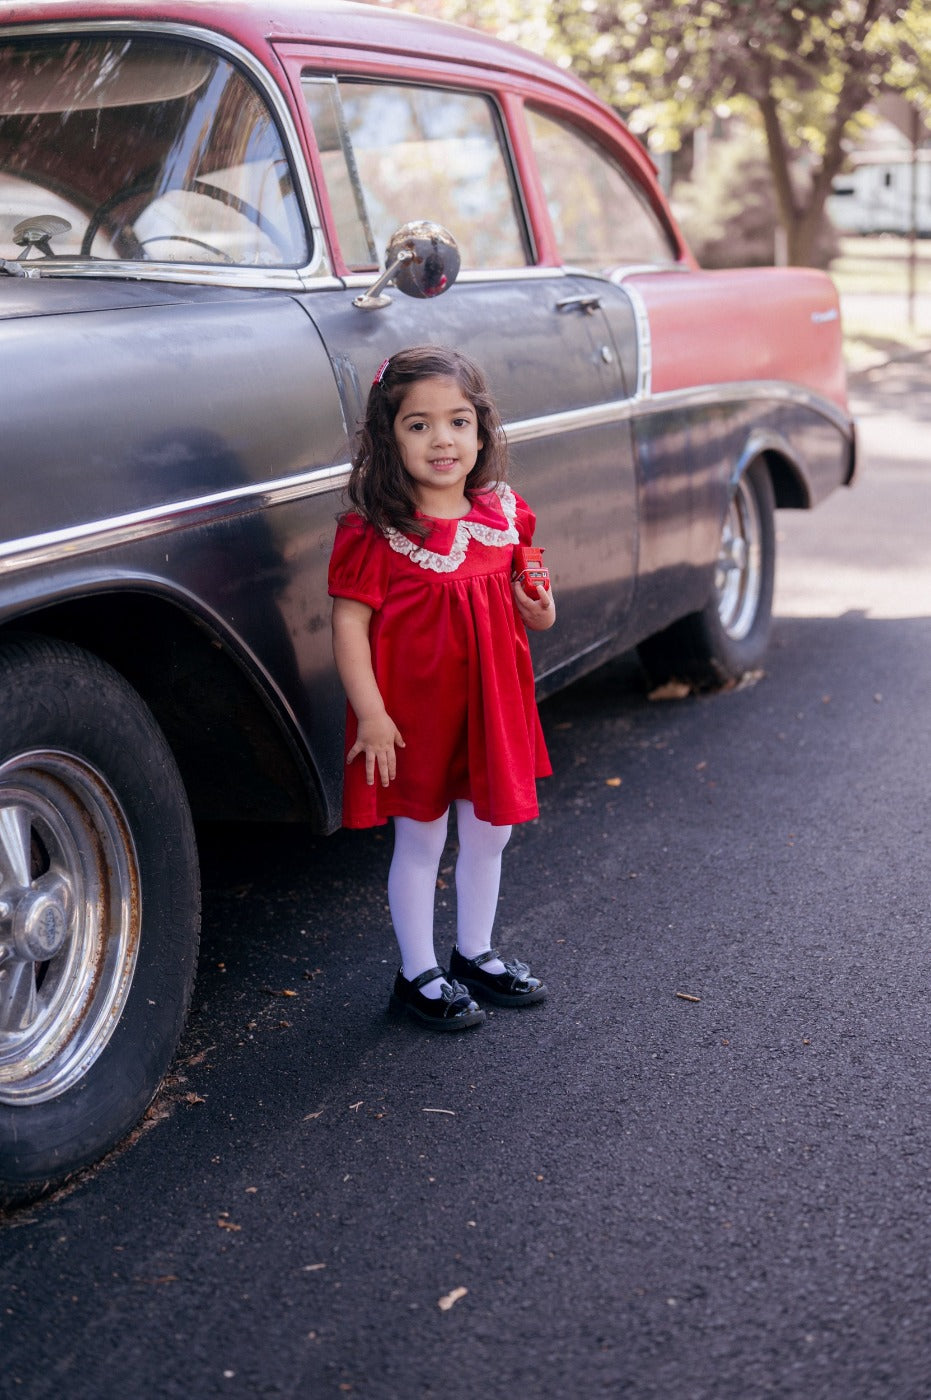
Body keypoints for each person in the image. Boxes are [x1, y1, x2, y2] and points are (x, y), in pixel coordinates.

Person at [328, 345, 555, 1031]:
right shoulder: (376, 534)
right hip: (412, 720)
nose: (441, 440)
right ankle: (416, 971)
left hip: (492, 711)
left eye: (457, 421)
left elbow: (537, 604)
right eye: (418, 425)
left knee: (490, 834)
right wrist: (369, 714)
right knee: (420, 840)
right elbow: (347, 624)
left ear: (481, 430)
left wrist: (539, 606)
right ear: (388, 438)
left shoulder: (503, 514)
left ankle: (473, 952)